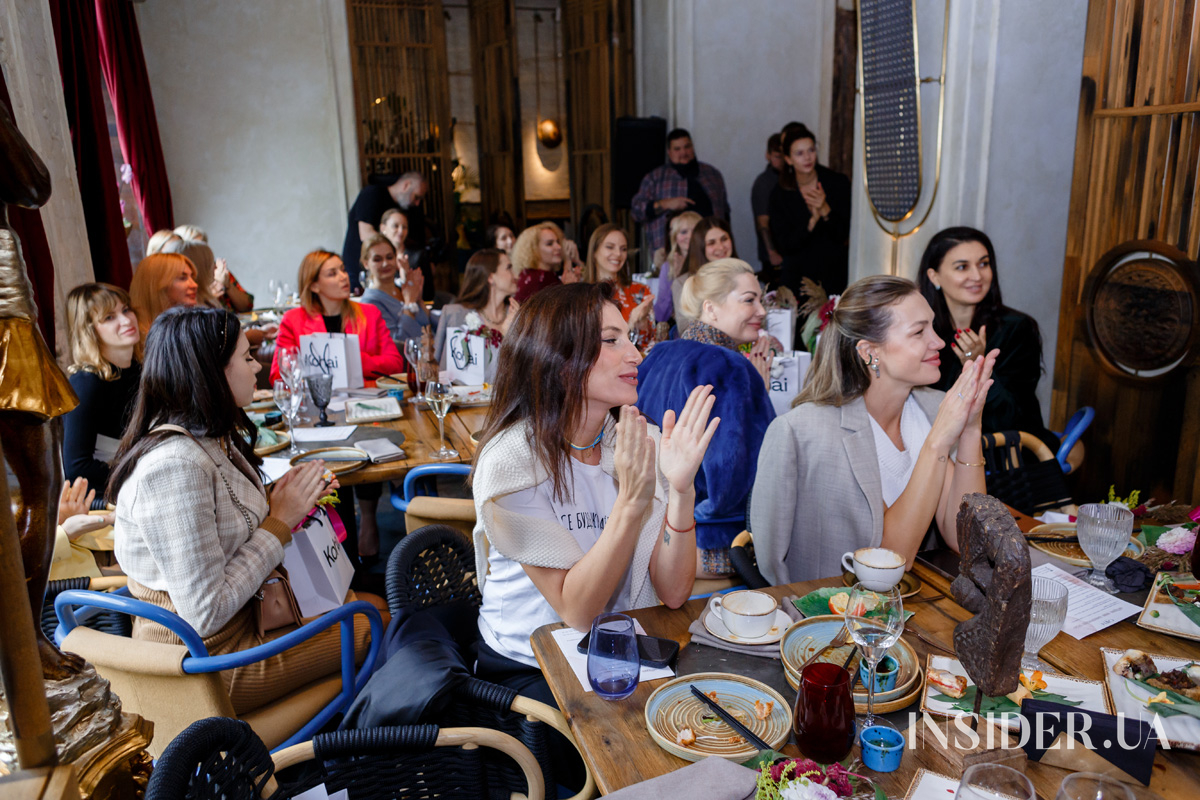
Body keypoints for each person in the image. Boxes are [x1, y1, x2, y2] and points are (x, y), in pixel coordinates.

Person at [471, 282, 717, 782]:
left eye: (631, 336)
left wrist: (681, 488)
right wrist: (631, 501)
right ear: (560, 359)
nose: (635, 353)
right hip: (526, 670)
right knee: (656, 760)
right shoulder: (511, 462)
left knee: (707, 729)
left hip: (615, 652)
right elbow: (577, 610)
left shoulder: (632, 441)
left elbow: (672, 592)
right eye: (611, 340)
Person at [109, 305, 378, 715]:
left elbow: (225, 521)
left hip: (248, 621)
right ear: (211, 371)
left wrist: (290, 497)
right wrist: (279, 521)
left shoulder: (208, 437)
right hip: (207, 663)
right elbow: (206, 612)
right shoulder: (175, 466)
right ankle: (355, 760)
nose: (258, 368)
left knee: (376, 606)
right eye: (247, 357)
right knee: (378, 626)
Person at [750, 276, 997, 584]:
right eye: (919, 331)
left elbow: (965, 541)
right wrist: (938, 442)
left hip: (913, 608)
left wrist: (971, 428)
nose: (939, 342)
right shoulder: (800, 431)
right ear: (869, 352)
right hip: (826, 617)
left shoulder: (931, 410)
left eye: (932, 327)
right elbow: (891, 558)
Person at [637, 259, 775, 577]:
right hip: (710, 546)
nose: (762, 311)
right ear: (711, 309)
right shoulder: (730, 368)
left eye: (761, 300)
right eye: (748, 300)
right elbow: (742, 475)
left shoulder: (658, 353)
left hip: (650, 532)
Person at [271, 250, 404, 562]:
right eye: (332, 273)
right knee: (326, 466)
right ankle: (340, 546)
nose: (344, 277)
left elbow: (394, 362)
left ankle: (368, 519)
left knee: (372, 446)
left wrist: (349, 357)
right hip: (315, 415)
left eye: (343, 270)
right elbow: (280, 373)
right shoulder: (294, 320)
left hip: (364, 410)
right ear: (314, 285)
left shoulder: (367, 314)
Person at [917, 227, 1058, 453]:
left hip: (1004, 455)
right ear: (934, 276)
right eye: (962, 267)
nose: (977, 276)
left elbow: (1011, 419)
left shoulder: (1016, 328)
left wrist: (978, 368)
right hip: (936, 448)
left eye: (983, 264)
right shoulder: (924, 330)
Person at [63, 284, 144, 492]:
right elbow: (76, 468)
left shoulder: (140, 369)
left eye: (126, 310)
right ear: (89, 330)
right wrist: (143, 471)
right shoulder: (86, 383)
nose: (126, 320)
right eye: (109, 317)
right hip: (104, 495)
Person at [768, 123, 851, 296]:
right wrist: (811, 222)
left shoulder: (837, 182)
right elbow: (785, 245)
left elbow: (843, 234)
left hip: (833, 275)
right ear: (789, 159)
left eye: (811, 150)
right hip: (797, 278)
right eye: (799, 153)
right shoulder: (779, 194)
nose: (807, 157)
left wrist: (825, 209)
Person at [631, 128, 730, 256]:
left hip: (711, 250)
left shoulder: (712, 174)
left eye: (687, 147)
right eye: (677, 149)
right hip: (671, 252)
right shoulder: (655, 178)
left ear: (693, 147)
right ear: (669, 152)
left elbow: (725, 213)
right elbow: (636, 211)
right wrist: (665, 204)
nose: (683, 152)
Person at [341, 172, 426, 294]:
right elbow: (365, 233)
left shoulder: (400, 207)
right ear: (406, 185)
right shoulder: (372, 194)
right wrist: (395, 254)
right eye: (416, 197)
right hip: (359, 271)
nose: (417, 203)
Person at [433, 248, 517, 368]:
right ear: (491, 277)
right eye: (509, 268)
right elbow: (441, 368)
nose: (515, 275)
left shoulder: (516, 314)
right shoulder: (457, 315)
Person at [583, 224, 654, 348]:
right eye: (610, 247)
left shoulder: (641, 291)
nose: (618, 254)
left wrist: (642, 323)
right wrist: (631, 324)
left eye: (623, 249)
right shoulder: (581, 294)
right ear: (594, 251)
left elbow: (649, 345)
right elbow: (584, 343)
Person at [359, 233, 431, 346]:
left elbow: (426, 323)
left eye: (389, 257)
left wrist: (419, 299)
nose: (385, 263)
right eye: (377, 259)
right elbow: (398, 342)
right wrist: (409, 304)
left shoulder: (404, 289)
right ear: (366, 263)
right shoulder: (370, 302)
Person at [672, 217, 736, 333]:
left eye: (724, 239)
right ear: (700, 248)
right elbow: (685, 329)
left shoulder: (743, 276)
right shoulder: (683, 282)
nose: (720, 247)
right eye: (711, 243)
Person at [169, 225, 254, 312]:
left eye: (203, 244)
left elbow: (247, 306)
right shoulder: (180, 283)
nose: (202, 251)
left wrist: (228, 285)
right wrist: (208, 297)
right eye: (195, 246)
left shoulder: (216, 269)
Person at [129, 252, 199, 336]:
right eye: (182, 278)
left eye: (192, 277)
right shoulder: (135, 336)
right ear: (157, 285)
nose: (194, 285)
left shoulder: (190, 325)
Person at [510, 221, 582, 303]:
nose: (558, 247)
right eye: (549, 244)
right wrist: (569, 287)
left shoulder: (536, 274)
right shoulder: (538, 279)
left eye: (558, 242)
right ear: (533, 250)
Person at [651, 210, 701, 325]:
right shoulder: (668, 267)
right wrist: (676, 279)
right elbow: (661, 315)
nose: (689, 236)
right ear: (675, 238)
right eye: (683, 232)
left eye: (695, 231)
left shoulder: (709, 262)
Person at [751, 133, 784, 284]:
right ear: (768, 155)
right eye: (778, 156)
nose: (782, 161)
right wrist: (771, 252)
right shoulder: (764, 182)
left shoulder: (790, 178)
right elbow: (762, 222)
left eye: (784, 156)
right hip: (773, 253)